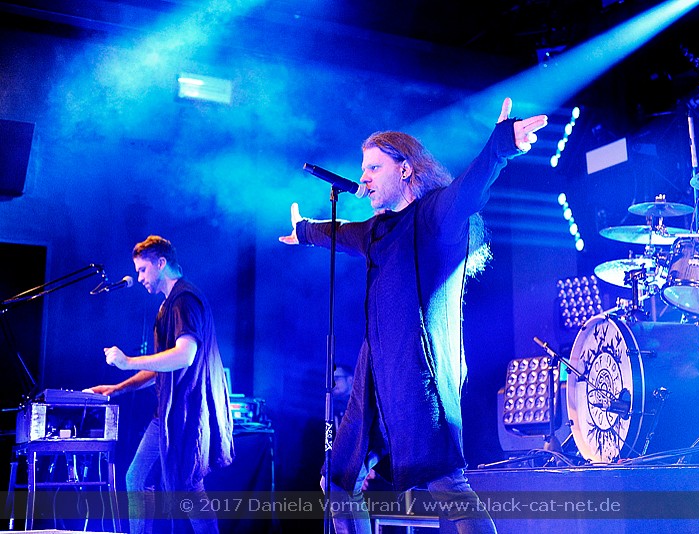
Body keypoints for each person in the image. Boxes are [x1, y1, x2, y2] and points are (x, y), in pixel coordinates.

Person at [279, 98, 548, 533]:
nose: (363, 179)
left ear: (405, 169)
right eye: (362, 169)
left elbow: (469, 190)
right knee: (338, 481)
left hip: (418, 375)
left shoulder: (433, 217)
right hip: (374, 374)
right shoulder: (376, 231)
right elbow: (341, 233)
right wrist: (305, 230)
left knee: (448, 485)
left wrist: (501, 145)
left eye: (373, 168)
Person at [89, 235, 235, 534]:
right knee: (140, 479)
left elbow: (184, 355)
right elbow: (161, 366)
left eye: (143, 269)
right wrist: (118, 388)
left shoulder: (184, 300)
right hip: (169, 414)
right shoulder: (168, 306)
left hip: (187, 413)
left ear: (161, 263)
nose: (139, 277)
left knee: (184, 485)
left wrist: (128, 361)